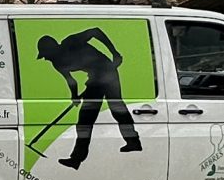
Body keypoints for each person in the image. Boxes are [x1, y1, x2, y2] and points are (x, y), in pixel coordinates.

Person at [33, 26, 145, 168]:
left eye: (46, 54)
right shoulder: (57, 62)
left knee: (105, 112)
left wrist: (114, 52)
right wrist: (74, 96)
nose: (46, 58)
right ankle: (132, 142)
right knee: (105, 113)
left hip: (107, 72)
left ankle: (78, 158)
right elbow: (70, 80)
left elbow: (96, 31)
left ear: (53, 48)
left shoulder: (71, 42)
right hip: (95, 78)